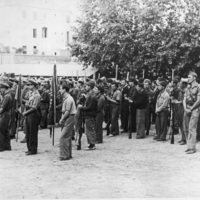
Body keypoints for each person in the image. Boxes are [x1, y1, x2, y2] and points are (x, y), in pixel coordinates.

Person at [22, 79, 41, 155]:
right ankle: (29, 148)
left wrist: (25, 113)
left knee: (32, 132)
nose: (28, 86)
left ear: (33, 86)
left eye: (30, 85)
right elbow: (26, 101)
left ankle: (33, 149)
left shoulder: (37, 95)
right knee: (28, 132)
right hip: (28, 113)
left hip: (33, 114)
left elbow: (34, 107)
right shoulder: (30, 93)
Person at [183, 72, 200, 154]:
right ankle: (188, 146)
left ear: (194, 78)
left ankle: (192, 148)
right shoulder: (187, 87)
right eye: (188, 77)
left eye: (190, 77)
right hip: (187, 108)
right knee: (186, 128)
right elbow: (184, 99)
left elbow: (199, 100)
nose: (188, 78)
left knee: (192, 128)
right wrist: (185, 108)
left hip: (195, 109)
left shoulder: (198, 87)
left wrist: (191, 108)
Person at [59, 82, 76, 161]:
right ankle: (68, 154)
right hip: (68, 117)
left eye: (61, 89)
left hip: (69, 117)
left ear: (64, 90)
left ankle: (64, 155)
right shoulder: (66, 98)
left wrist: (62, 119)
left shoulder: (69, 99)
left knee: (63, 137)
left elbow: (67, 111)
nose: (60, 90)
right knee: (67, 137)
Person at [79, 80, 98, 150]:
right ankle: (90, 143)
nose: (85, 87)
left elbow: (89, 107)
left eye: (86, 86)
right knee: (88, 129)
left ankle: (92, 144)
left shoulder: (92, 96)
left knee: (90, 129)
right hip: (89, 115)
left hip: (90, 114)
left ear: (90, 87)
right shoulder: (90, 95)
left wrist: (82, 107)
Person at [0, 81, 13, 151]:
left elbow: (3, 107)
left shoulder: (7, 96)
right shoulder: (7, 95)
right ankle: (7, 146)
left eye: (1, 88)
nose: (1, 90)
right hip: (7, 114)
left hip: (5, 114)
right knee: (6, 131)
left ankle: (1, 147)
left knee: (1, 130)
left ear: (5, 88)